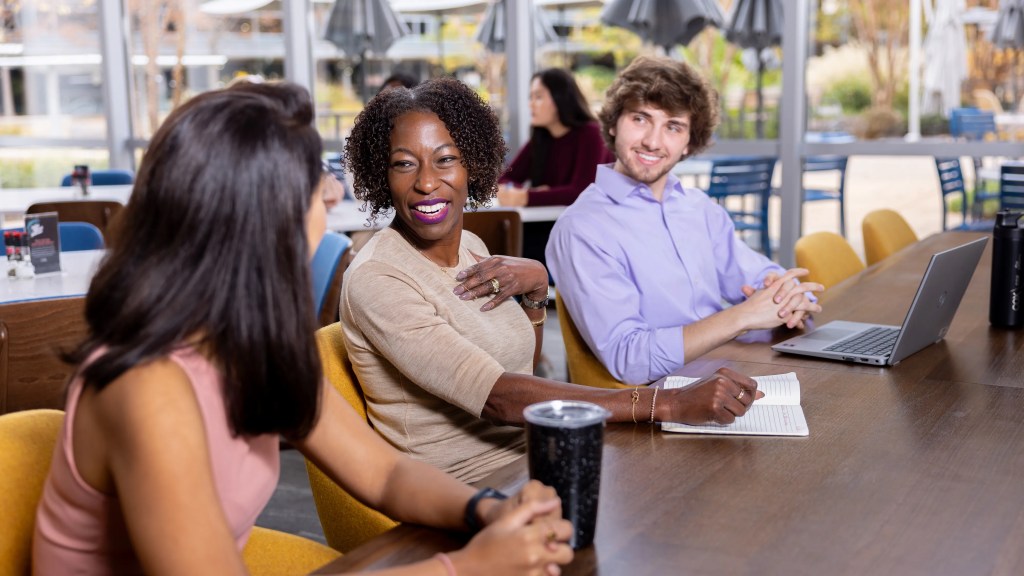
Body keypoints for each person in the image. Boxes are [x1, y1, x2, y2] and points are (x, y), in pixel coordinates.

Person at [32, 82, 574, 576]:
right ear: (256, 216)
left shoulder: (247, 342)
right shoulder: (149, 390)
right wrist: (467, 568)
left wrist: (489, 508)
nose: (331, 197)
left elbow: (382, 474)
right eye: (313, 185)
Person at [341, 77, 764, 484]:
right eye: (404, 164)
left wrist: (536, 295)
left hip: (535, 457)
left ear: (473, 162)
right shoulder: (379, 275)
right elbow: (496, 396)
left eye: (446, 159)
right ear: (382, 174)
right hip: (460, 491)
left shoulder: (471, 246)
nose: (427, 182)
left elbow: (520, 362)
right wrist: (665, 402)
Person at [546, 56, 823, 386]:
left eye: (673, 127)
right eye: (640, 119)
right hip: (660, 405)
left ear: (689, 143)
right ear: (613, 123)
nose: (652, 140)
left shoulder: (698, 208)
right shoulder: (582, 229)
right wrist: (743, 317)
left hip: (729, 371)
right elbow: (629, 359)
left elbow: (758, 275)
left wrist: (788, 296)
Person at [497, 69, 614, 270]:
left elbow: (581, 191)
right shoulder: (540, 139)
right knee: (501, 245)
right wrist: (530, 193)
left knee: (510, 256)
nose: (531, 104)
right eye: (530, 97)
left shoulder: (592, 134)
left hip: (585, 234)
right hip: (547, 226)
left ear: (561, 99)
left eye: (539, 97)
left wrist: (526, 197)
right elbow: (505, 179)